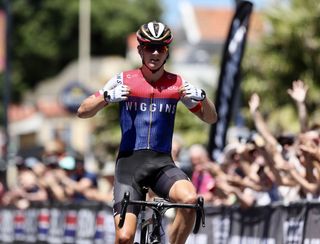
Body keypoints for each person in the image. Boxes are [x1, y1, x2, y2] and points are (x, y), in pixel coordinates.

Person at [77, 21, 217, 244]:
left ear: (167, 51)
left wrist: (203, 97)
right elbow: (82, 111)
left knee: (190, 199)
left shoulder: (177, 84)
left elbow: (210, 118)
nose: (154, 52)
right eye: (149, 47)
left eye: (160, 48)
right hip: (129, 165)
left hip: (162, 164)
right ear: (140, 49)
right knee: (124, 237)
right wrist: (106, 97)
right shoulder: (123, 79)